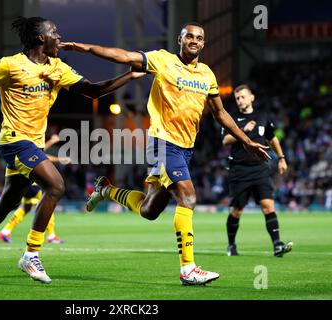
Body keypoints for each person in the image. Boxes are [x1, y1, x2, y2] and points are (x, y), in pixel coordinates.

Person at [59, 22, 271, 286]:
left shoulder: (207, 74)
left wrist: (246, 141)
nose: (194, 40)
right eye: (189, 36)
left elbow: (220, 114)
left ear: (203, 44)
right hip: (163, 143)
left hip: (186, 148)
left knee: (149, 210)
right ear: (180, 40)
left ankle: (106, 190)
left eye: (199, 38)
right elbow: (123, 56)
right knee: (189, 196)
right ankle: (188, 269)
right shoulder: (162, 60)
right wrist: (84, 48)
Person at [0, 16, 145, 284]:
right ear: (41, 38)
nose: (59, 37)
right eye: (54, 32)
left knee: (9, 201)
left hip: (34, 143)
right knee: (56, 185)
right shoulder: (10, 65)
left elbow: (93, 91)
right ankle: (30, 254)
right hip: (14, 140)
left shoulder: (58, 68)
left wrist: (130, 75)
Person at [222, 84, 293, 257]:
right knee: (237, 210)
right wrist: (242, 130)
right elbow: (225, 140)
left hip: (260, 168)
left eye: (243, 97)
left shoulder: (262, 117)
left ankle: (277, 245)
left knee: (268, 206)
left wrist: (281, 158)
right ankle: (231, 245)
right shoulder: (232, 118)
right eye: (237, 98)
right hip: (239, 169)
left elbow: (272, 139)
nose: (240, 100)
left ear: (251, 97)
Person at [0, 134, 70, 244]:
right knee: (48, 203)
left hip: (26, 178)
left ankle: (5, 231)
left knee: (25, 208)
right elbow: (41, 156)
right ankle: (51, 235)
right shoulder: (29, 138)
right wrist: (52, 143)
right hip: (32, 181)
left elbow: (41, 154)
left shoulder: (24, 139)